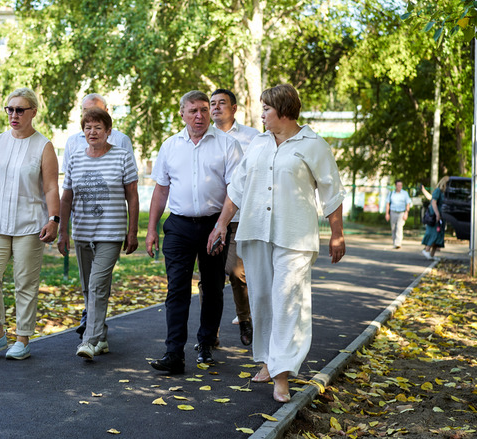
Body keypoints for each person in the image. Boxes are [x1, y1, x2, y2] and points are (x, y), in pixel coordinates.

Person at [207, 84, 346, 403]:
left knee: (286, 301)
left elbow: (332, 192)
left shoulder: (313, 145)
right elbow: (238, 188)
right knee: (263, 301)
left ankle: (281, 374)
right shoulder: (258, 144)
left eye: (266, 109)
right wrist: (220, 224)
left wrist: (337, 233)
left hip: (294, 235)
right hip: (256, 232)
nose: (262, 114)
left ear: (284, 111)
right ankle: (270, 360)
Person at [146, 90, 242, 374]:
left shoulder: (227, 144)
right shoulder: (170, 146)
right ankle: (173, 353)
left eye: (203, 110)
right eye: (193, 111)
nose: (199, 116)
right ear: (182, 114)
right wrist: (151, 229)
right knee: (176, 288)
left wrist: (222, 225)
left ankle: (206, 343)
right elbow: (161, 189)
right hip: (179, 226)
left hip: (215, 225)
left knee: (212, 287)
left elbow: (235, 190)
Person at [0, 87, 60, 360]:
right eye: (10, 109)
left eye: (20, 110)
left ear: (33, 112)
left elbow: (51, 188)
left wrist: (53, 219)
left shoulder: (44, 146)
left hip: (30, 225)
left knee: (25, 283)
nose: (14, 115)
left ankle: (22, 338)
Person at [58, 107, 139, 360]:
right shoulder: (75, 158)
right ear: (83, 132)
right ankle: (101, 336)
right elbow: (67, 197)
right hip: (82, 231)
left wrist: (132, 231)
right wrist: (63, 231)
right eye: (88, 127)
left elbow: (132, 196)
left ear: (108, 131)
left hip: (111, 232)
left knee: (96, 285)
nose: (92, 132)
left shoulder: (122, 156)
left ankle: (89, 341)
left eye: (98, 127)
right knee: (88, 287)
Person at [209, 88, 260, 346]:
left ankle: (245, 319)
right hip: (210, 216)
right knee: (211, 277)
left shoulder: (252, 137)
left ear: (234, 108)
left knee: (236, 272)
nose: (216, 107)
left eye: (222, 103)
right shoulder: (203, 136)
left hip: (240, 217)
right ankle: (210, 333)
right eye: (212, 103)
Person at [420, 176, 449, 259]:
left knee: (439, 235)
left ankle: (432, 254)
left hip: (441, 217)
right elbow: (433, 202)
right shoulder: (438, 191)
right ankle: (427, 250)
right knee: (434, 234)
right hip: (435, 217)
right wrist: (437, 214)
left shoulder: (444, 193)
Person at [385, 179, 411, 249]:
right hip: (393, 212)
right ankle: (394, 242)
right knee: (393, 228)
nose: (400, 186)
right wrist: (387, 213)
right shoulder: (391, 193)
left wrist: (406, 213)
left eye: (401, 185)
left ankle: (398, 243)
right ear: (395, 186)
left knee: (399, 227)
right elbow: (387, 203)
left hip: (401, 212)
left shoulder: (405, 193)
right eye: (398, 185)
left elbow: (408, 203)